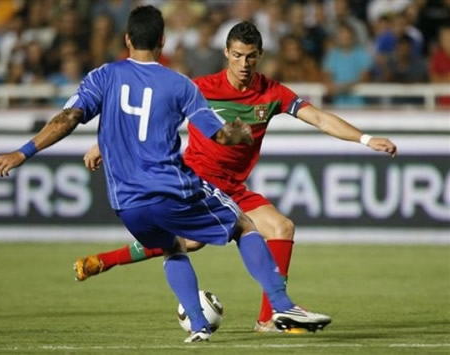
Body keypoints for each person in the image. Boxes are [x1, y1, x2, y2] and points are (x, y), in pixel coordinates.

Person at [0, 6, 332, 343]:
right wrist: (239, 133)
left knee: (172, 248)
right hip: (171, 188)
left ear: (127, 39)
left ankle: (198, 327)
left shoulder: (103, 76)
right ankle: (282, 306)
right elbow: (219, 134)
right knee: (242, 224)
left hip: (125, 203)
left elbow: (67, 118)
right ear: (163, 41)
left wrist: (23, 152)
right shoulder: (179, 84)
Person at [76, 20, 397, 334]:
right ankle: (105, 261)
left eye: (251, 56)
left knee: (278, 227)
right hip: (196, 179)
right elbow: (148, 118)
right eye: (237, 55)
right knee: (188, 242)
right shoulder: (201, 87)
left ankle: (268, 319)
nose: (244, 63)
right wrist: (101, 144)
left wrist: (366, 139)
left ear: (260, 55)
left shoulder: (271, 92)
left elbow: (319, 118)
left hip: (232, 186)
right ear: (226, 53)